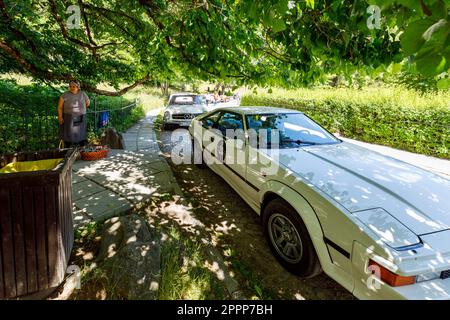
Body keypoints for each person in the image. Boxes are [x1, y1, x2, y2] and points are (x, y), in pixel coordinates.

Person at [58, 80, 90, 148]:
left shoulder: (83, 94)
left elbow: (88, 103)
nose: (72, 88)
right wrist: (60, 117)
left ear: (78, 87)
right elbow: (60, 107)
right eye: (70, 86)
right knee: (68, 135)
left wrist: (81, 110)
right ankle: (67, 150)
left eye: (74, 86)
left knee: (81, 134)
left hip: (81, 117)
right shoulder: (64, 95)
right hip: (68, 117)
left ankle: (82, 150)